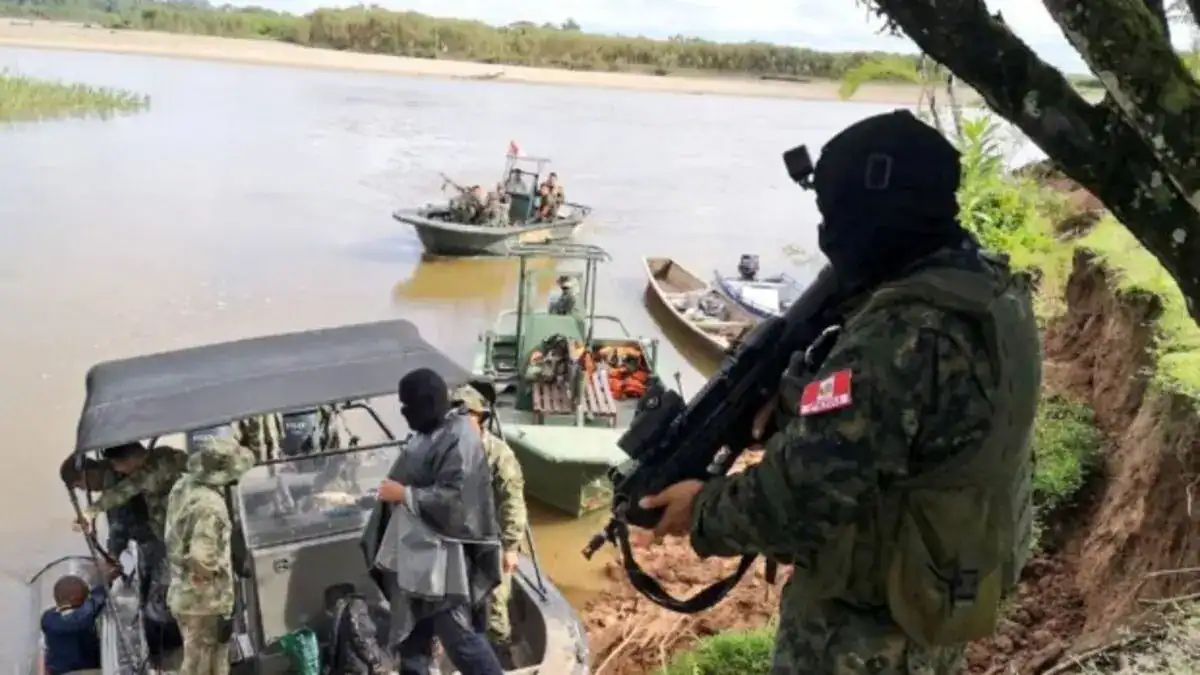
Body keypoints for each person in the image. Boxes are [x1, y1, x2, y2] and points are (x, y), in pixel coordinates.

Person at [637, 110, 1042, 674]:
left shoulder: (903, 332)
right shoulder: (988, 291)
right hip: (936, 597)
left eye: (836, 214)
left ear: (877, 212)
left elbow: (799, 496)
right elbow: (911, 428)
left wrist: (699, 508)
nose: (829, 235)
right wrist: (795, 398)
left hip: (863, 636)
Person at [360, 368, 505, 675]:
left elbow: (458, 502)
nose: (403, 414)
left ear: (425, 404)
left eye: (407, 407)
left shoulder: (460, 437)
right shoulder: (427, 431)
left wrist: (404, 494)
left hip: (446, 563)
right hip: (416, 556)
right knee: (413, 635)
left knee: (460, 638)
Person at [164, 429, 256, 675]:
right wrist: (212, 581)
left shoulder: (184, 485)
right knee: (201, 665)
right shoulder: (210, 507)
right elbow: (201, 558)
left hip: (183, 593)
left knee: (205, 660)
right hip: (204, 604)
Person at [450, 385, 528, 651]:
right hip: (456, 537)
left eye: (465, 415)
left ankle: (501, 652)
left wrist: (511, 547)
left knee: (494, 604)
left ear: (479, 418)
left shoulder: (499, 455)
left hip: (491, 539)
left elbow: (513, 502)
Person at [74, 443, 188, 555]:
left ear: (129, 459)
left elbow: (122, 491)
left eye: (116, 464)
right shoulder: (161, 459)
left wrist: (89, 512)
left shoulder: (155, 467)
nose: (117, 470)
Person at [41, 563, 121, 675]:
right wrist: (104, 583)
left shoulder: (48, 617)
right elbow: (84, 614)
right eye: (85, 595)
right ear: (75, 598)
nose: (86, 598)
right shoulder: (59, 620)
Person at [320, 583, 394, 675]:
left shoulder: (353, 607)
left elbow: (362, 636)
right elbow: (364, 636)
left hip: (352, 667)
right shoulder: (353, 608)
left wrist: (376, 661)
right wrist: (378, 662)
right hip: (357, 667)